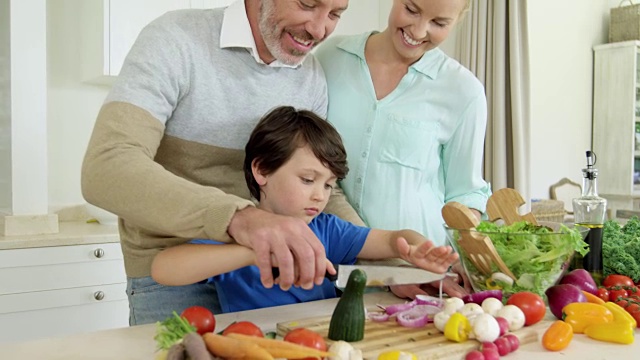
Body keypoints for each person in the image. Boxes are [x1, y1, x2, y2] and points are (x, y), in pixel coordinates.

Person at [81, 0, 361, 325]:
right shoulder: (175, 39)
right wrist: (240, 219)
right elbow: (106, 168)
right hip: (175, 273)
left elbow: (325, 186)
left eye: (335, 14)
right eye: (307, 4)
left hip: (267, 275)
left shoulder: (309, 76)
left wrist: (387, 267)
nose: (319, 28)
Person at [150, 106, 459, 312]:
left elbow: (393, 240)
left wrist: (416, 249)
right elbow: (163, 269)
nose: (319, 196)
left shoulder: (327, 228)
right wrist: (258, 250)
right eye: (308, 179)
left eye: (328, 185)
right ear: (262, 171)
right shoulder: (237, 232)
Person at [314, 0, 491, 299]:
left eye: (439, 23)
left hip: (419, 275)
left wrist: (467, 257)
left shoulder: (464, 91)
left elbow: (465, 193)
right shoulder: (330, 58)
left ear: (458, 21)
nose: (419, 30)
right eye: (411, 10)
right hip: (334, 263)